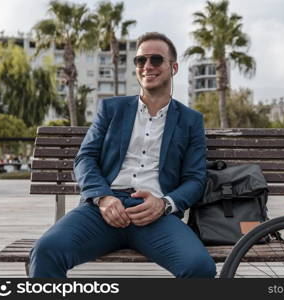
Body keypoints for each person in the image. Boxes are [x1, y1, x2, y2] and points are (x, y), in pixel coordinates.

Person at [29, 32, 216, 278]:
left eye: (156, 60)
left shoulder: (191, 120)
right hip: (101, 210)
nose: (147, 66)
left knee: (200, 267)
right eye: (140, 60)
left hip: (155, 214)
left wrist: (164, 204)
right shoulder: (111, 109)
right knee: (45, 252)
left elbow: (195, 178)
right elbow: (85, 158)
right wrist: (103, 198)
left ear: (174, 67)